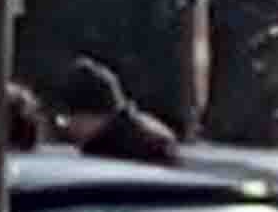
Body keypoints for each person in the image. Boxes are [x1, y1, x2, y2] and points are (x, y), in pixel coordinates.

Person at [53, 56, 183, 166]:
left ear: (87, 115)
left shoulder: (121, 151)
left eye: (69, 118)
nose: (70, 128)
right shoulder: (142, 135)